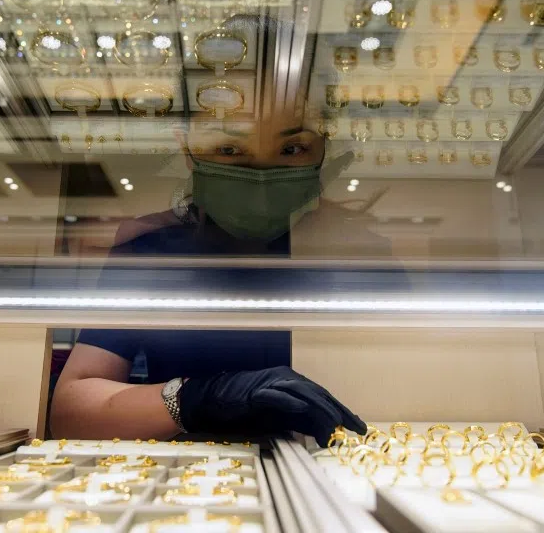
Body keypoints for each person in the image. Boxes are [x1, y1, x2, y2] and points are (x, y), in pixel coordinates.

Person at [49, 111, 368, 444]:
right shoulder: (151, 251)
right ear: (186, 150)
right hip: (195, 476)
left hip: (342, 468)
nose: (259, 176)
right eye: (228, 149)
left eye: (291, 149)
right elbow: (71, 414)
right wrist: (197, 399)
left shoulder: (357, 252)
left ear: (322, 150)